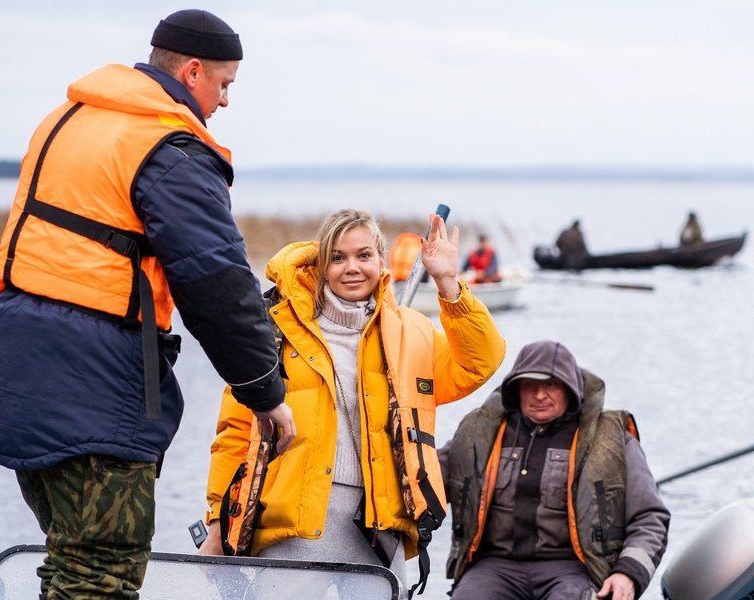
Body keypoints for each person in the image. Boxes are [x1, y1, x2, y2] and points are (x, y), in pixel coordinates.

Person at [0, 9, 295, 599]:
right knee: (104, 572)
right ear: (192, 71)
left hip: (13, 374)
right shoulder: (167, 146)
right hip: (92, 385)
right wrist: (265, 392)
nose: (225, 101)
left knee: (70, 561)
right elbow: (217, 284)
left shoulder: (69, 120)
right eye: (224, 84)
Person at [200, 209, 506, 598]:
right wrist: (217, 523)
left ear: (381, 260)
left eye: (363, 255)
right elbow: (234, 435)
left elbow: (479, 362)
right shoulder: (273, 331)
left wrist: (448, 283)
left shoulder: (411, 331)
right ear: (321, 265)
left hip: (380, 528)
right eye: (338, 257)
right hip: (294, 525)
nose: (352, 268)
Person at [440, 340, 669, 600]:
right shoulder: (477, 433)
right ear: (516, 390)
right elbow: (426, 482)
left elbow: (650, 518)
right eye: (530, 385)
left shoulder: (613, 439)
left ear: (570, 389)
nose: (539, 395)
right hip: (494, 568)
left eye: (550, 385)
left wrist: (627, 573)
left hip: (575, 570)